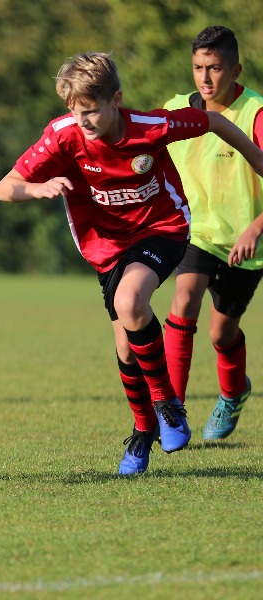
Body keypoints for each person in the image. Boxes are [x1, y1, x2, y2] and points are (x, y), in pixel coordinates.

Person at [0, 51, 263, 476]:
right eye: (75, 110)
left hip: (163, 228)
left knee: (130, 301)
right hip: (106, 246)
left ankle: (167, 403)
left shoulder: (149, 127)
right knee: (125, 345)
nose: (82, 120)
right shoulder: (62, 135)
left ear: (115, 100)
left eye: (91, 110)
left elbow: (212, 120)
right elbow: (5, 187)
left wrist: (256, 158)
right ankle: (143, 429)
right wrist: (36, 188)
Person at [163, 25, 263, 441]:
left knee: (222, 333)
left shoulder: (255, 113)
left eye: (215, 68)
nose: (205, 78)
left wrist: (256, 227)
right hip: (197, 233)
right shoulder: (176, 109)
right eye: (198, 67)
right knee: (184, 299)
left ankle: (233, 393)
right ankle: (172, 413)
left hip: (247, 243)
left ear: (235, 70)